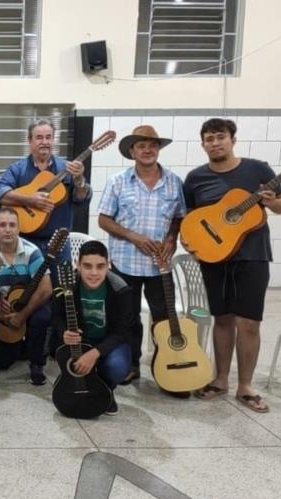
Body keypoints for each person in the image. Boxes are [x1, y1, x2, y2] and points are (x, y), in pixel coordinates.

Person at [183, 118, 281, 413]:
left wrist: (270, 202)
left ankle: (246, 386)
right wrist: (191, 242)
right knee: (222, 319)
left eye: (220, 137)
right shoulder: (195, 178)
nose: (215, 143)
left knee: (250, 322)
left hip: (253, 256)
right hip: (214, 258)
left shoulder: (258, 170)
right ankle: (220, 380)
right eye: (209, 138)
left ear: (233, 139)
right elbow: (190, 217)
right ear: (202, 144)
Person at [97, 125, 186, 388]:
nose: (148, 150)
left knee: (163, 318)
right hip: (126, 262)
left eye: (152, 145)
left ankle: (164, 365)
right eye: (141, 145)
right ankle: (132, 365)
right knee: (128, 317)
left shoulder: (174, 182)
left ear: (158, 149)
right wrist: (134, 236)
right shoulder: (118, 181)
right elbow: (104, 220)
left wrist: (172, 238)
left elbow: (180, 217)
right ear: (132, 152)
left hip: (160, 265)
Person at [0, 119, 89, 269]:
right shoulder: (18, 169)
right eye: (39, 137)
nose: (45, 142)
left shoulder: (67, 168)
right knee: (26, 290)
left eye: (48, 137)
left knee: (62, 289)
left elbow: (81, 200)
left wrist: (79, 179)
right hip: (25, 242)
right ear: (30, 141)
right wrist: (29, 200)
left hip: (60, 244)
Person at [53, 241, 133, 415]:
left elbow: (124, 330)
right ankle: (85, 386)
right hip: (81, 341)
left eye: (100, 266)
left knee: (117, 366)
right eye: (87, 266)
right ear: (77, 264)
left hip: (110, 341)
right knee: (71, 363)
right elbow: (56, 316)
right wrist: (64, 332)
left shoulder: (121, 289)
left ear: (108, 265)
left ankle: (106, 390)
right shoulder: (67, 285)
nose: (94, 273)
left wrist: (95, 353)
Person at [0, 207, 52, 385]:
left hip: (29, 307)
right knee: (3, 363)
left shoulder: (31, 252)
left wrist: (22, 315)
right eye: (2, 225)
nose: (8, 229)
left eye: (12, 225)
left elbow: (46, 288)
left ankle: (37, 363)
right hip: (2, 311)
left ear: (18, 229)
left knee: (42, 316)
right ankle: (22, 345)